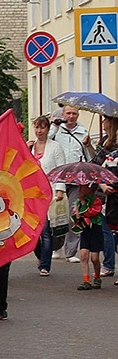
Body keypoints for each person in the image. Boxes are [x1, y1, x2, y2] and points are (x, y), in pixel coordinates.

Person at [51, 106, 95, 263]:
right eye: (68, 113)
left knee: (73, 213)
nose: (71, 116)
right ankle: (56, 247)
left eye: (74, 114)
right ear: (63, 114)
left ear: (78, 115)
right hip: (60, 176)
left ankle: (70, 251)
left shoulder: (83, 132)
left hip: (76, 178)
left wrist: (88, 144)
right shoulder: (57, 130)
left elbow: (91, 156)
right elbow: (45, 141)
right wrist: (54, 126)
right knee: (57, 213)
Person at [29, 116, 66, 276]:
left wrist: (60, 189)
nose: (39, 131)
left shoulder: (55, 147)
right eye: (37, 127)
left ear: (48, 129)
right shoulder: (29, 146)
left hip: (48, 193)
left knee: (45, 231)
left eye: (42, 127)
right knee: (33, 232)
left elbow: (61, 169)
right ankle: (40, 255)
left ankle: (45, 265)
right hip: (31, 194)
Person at [90, 115, 118, 277]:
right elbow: (97, 164)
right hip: (103, 189)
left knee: (110, 229)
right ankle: (109, 263)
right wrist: (88, 146)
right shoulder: (104, 141)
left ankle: (109, 264)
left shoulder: (114, 144)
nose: (102, 123)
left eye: (105, 119)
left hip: (113, 191)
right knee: (107, 229)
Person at [72, 183, 104, 290]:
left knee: (94, 258)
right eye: (80, 188)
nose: (80, 190)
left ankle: (97, 277)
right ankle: (86, 280)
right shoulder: (78, 202)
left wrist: (82, 210)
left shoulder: (95, 200)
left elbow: (93, 211)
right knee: (84, 255)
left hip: (95, 229)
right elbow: (76, 216)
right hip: (85, 230)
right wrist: (76, 214)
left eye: (83, 188)